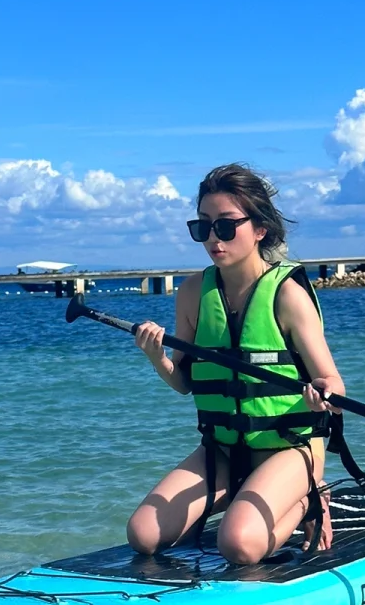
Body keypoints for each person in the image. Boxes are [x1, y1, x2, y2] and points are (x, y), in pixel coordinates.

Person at [127, 163, 346, 565]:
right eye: (203, 227)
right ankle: (245, 494)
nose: (213, 238)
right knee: (143, 535)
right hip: (224, 449)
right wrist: (156, 356)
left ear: (260, 228)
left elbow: (332, 380)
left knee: (239, 546)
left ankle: (308, 502)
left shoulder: (287, 294)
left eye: (226, 226)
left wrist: (324, 393)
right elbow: (184, 382)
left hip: (291, 447)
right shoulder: (193, 292)